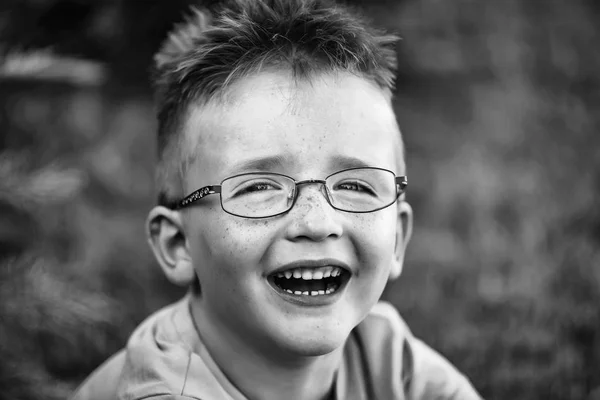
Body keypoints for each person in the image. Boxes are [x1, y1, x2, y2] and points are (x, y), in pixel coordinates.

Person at [72, 0, 482, 399]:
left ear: (397, 238)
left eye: (356, 186)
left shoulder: (390, 361)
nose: (317, 222)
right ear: (179, 245)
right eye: (258, 187)